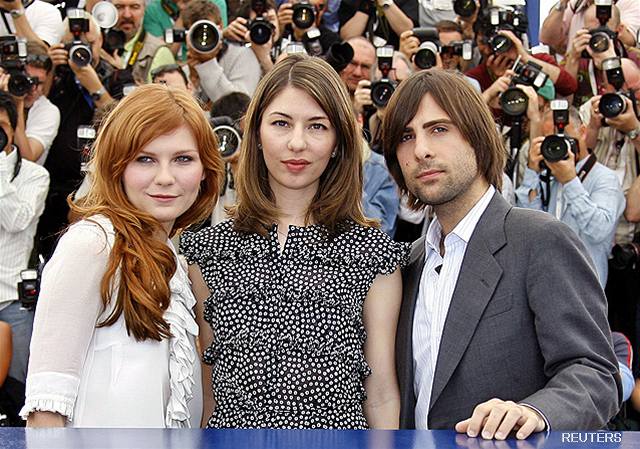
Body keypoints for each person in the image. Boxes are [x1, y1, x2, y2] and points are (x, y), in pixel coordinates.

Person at [382, 69, 620, 437]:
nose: (421, 150)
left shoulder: (539, 239)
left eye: (439, 129)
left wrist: (535, 412)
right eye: (405, 136)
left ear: (477, 136)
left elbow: (594, 371)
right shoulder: (408, 263)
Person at [180, 54, 410, 429]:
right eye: (281, 124)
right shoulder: (207, 252)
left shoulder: (373, 254)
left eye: (317, 126)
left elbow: (382, 391)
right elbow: (208, 393)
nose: (297, 143)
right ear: (255, 134)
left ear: (338, 141)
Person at [20, 84, 225, 427]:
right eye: (145, 159)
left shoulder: (179, 262)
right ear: (117, 166)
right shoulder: (92, 243)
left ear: (205, 170)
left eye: (183, 159)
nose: (165, 178)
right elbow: (46, 409)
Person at [516, 105, 625, 288]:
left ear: (582, 132)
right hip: (545, 282)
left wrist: (570, 181)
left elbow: (599, 230)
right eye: (550, 139)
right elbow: (527, 228)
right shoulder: (547, 175)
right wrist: (532, 172)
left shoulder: (604, 178)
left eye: (564, 136)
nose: (558, 145)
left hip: (585, 288)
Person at [0, 91, 49, 386]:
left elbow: (15, 220)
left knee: (19, 389)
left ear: (14, 128)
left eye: (1, 125)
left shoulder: (35, 176)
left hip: (12, 301)